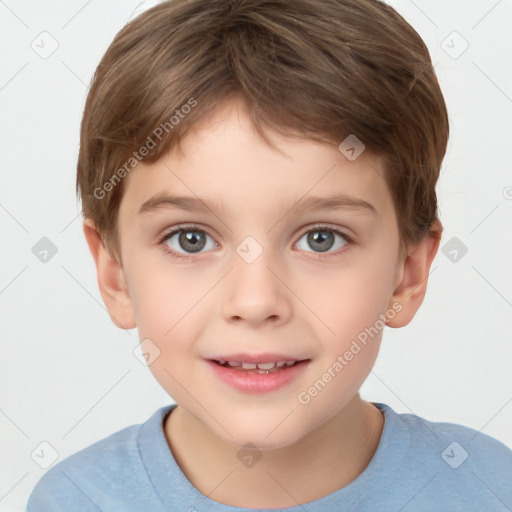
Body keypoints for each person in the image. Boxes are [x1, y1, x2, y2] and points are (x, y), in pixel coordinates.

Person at [26, 0, 512, 510]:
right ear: (115, 275)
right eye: (190, 239)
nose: (256, 302)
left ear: (407, 274)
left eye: (322, 238)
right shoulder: (73, 499)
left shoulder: (490, 489)